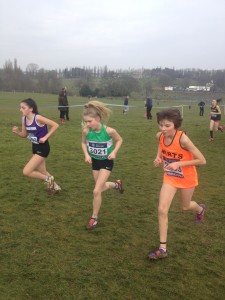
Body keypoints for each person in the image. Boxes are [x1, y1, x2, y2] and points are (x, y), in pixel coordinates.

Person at [148, 108, 206, 260]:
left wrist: (180, 163)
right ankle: (163, 248)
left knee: (185, 206)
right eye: (161, 125)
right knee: (162, 209)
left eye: (167, 125)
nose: (163, 129)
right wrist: (158, 157)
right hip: (170, 177)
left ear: (175, 125)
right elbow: (161, 145)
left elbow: (202, 160)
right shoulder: (160, 136)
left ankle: (200, 209)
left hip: (187, 178)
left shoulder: (183, 139)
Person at [81, 100, 124, 229]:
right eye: (86, 121)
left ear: (98, 118)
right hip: (95, 162)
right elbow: (83, 143)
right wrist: (87, 155)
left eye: (90, 121)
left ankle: (94, 218)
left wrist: (114, 152)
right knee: (101, 187)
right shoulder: (86, 131)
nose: (87, 124)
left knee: (96, 191)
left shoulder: (109, 131)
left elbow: (120, 140)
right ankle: (116, 184)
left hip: (106, 162)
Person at [12, 98, 61, 194]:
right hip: (35, 147)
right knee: (42, 171)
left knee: (26, 171)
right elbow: (24, 135)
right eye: (20, 107)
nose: (20, 109)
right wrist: (17, 132)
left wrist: (46, 137)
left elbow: (55, 125)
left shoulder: (38, 118)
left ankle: (49, 179)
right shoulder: (24, 119)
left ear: (31, 109)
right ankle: (55, 187)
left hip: (43, 148)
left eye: (23, 107)